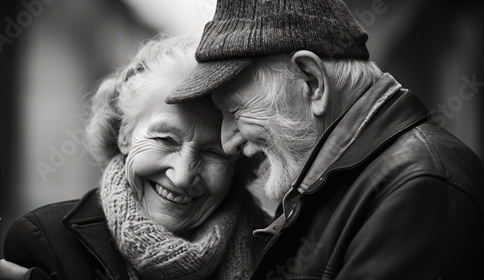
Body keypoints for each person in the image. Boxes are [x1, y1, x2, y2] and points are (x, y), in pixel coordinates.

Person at [166, 0, 484, 279]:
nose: (227, 143)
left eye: (236, 110)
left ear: (312, 82)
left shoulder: (420, 187)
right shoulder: (342, 182)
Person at [0, 35, 268, 280]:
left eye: (213, 153)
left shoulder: (278, 251)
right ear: (123, 134)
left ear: (239, 159)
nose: (183, 176)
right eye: (165, 139)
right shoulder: (46, 242)